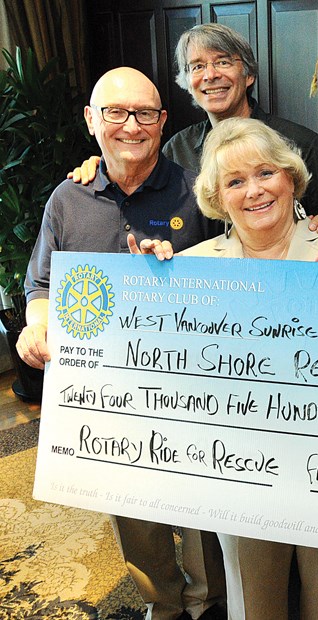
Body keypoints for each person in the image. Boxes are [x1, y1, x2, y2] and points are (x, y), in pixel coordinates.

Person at [132, 116, 318, 620]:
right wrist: (149, 283)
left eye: (266, 173)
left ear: (291, 177)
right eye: (235, 181)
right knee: (252, 604)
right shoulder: (193, 269)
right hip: (240, 470)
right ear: (218, 198)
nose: (254, 191)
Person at [17, 68, 226, 620]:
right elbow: (42, 284)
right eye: (115, 112)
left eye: (146, 114)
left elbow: (239, 277)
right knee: (134, 514)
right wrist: (37, 325)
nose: (131, 126)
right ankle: (164, 604)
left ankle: (209, 605)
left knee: (203, 512)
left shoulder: (198, 192)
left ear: (162, 122)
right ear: (92, 120)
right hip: (108, 397)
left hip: (192, 389)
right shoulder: (68, 198)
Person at [72, 22, 318, 229]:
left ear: (248, 75)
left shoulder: (302, 145)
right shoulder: (176, 149)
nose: (210, 75)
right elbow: (134, 185)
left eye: (222, 62)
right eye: (197, 66)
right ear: (188, 83)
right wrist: (100, 168)